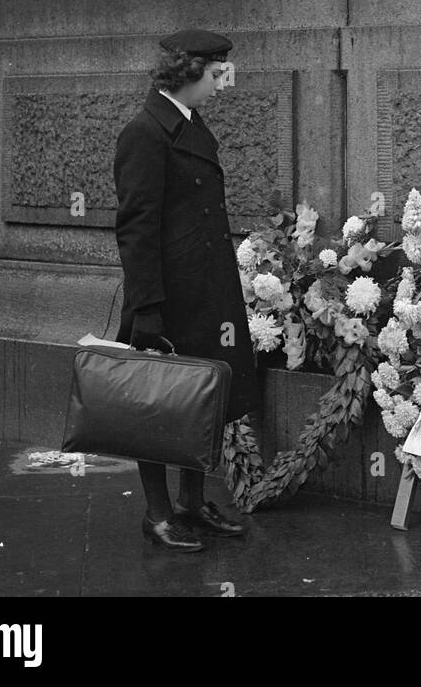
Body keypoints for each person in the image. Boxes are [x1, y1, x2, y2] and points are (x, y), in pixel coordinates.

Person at [113, 27, 259, 552]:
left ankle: (192, 505)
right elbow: (137, 229)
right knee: (154, 406)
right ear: (189, 70)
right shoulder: (146, 132)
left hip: (206, 292)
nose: (223, 85)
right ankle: (157, 514)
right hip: (167, 298)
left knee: (204, 400)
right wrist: (146, 309)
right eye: (217, 75)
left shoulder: (187, 123)